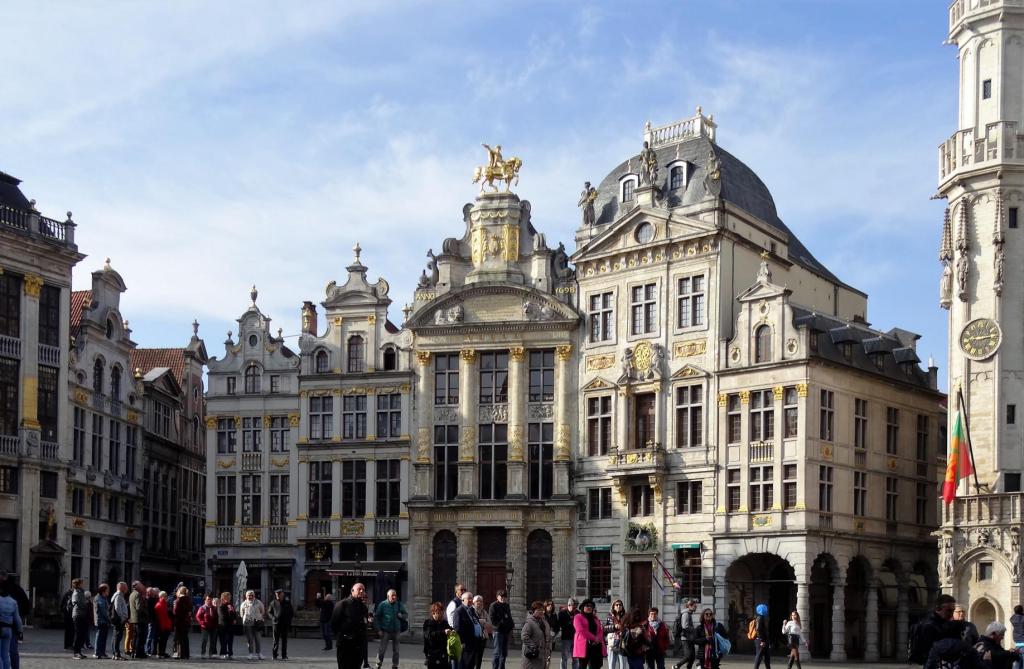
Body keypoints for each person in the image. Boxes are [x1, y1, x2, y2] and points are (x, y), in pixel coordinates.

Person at [910, 594, 968, 665]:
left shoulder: (948, 624)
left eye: (953, 611)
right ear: (938, 609)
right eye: (948, 610)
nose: (951, 614)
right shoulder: (927, 626)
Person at [331, 582, 370, 669]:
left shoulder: (363, 607)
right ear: (352, 591)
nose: (361, 591)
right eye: (359, 589)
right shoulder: (343, 604)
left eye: (363, 590)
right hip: (345, 645)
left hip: (359, 646)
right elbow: (334, 624)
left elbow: (364, 623)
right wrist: (343, 635)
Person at [0, 573, 28, 669]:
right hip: (10, 628)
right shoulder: (13, 601)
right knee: (7, 653)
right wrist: (20, 630)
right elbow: (18, 618)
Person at [374, 589, 408, 669]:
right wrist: (379, 629)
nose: (394, 597)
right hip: (385, 631)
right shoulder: (382, 604)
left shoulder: (399, 604)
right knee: (382, 650)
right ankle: (378, 665)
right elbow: (377, 618)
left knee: (396, 650)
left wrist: (401, 616)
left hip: (396, 631)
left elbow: (406, 614)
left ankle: (395, 665)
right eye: (392, 595)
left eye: (395, 595)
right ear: (388, 596)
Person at [454, 591, 485, 669]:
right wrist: (462, 642)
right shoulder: (459, 611)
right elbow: (457, 628)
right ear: (463, 600)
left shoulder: (471, 610)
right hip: (466, 644)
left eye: (471, 598)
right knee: (465, 665)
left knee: (471, 665)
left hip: (475, 642)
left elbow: (475, 622)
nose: (471, 600)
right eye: (468, 598)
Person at [574, 600, 606, 669]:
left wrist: (597, 639)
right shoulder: (578, 617)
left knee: (595, 666)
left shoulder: (595, 618)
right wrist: (594, 638)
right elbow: (581, 630)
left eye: (591, 606)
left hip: (595, 646)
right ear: (582, 607)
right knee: (582, 666)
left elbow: (600, 631)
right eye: (587, 606)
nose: (589, 607)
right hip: (584, 646)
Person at [424, 601, 456, 669]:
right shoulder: (428, 623)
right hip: (433, 652)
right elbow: (429, 635)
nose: (442, 615)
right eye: (440, 613)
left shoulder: (444, 622)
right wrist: (443, 632)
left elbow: (449, 628)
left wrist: (452, 631)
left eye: (442, 612)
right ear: (434, 613)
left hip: (443, 652)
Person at [489, 590, 514, 669]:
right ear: (497, 597)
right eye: (501, 596)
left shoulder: (506, 605)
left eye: (505, 596)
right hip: (498, 631)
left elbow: (509, 617)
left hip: (506, 631)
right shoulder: (493, 605)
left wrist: (511, 625)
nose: (503, 598)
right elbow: (492, 619)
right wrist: (500, 624)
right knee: (497, 652)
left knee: (504, 652)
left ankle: (501, 667)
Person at [268, 588, 295, 660]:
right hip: (276, 624)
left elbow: (291, 612)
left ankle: (284, 655)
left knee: (284, 640)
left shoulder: (287, 602)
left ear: (282, 595)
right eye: (276, 595)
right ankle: (274, 655)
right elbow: (269, 612)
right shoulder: (273, 602)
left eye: (279, 594)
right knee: (275, 640)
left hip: (285, 624)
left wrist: (288, 620)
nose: (277, 596)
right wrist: (273, 618)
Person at [523, 601, 551, 669]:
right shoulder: (529, 622)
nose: (541, 612)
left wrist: (549, 651)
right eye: (539, 610)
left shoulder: (544, 622)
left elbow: (548, 638)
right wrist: (534, 647)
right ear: (534, 611)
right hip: (532, 657)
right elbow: (524, 636)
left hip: (543, 656)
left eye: (542, 610)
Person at [240, 589, 266, 660]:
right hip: (248, 624)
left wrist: (258, 617)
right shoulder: (243, 604)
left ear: (254, 595)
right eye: (248, 595)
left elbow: (262, 611)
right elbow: (241, 614)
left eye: (251, 595)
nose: (250, 596)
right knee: (250, 639)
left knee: (258, 639)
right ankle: (250, 653)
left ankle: (259, 653)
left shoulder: (259, 602)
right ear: (246, 596)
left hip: (257, 623)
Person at [127, 581, 150, 659]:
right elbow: (139, 608)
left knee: (136, 636)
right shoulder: (137, 594)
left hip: (134, 618)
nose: (143, 587)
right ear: (137, 586)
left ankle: (134, 652)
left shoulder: (132, 594)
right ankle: (138, 653)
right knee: (140, 637)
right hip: (140, 619)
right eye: (141, 585)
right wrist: (146, 612)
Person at [674, 600, 698, 669]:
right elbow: (685, 626)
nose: (696, 607)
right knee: (688, 656)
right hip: (685, 638)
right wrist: (694, 629)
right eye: (695, 606)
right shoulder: (686, 614)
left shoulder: (689, 613)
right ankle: (676, 666)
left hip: (689, 638)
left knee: (692, 657)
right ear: (689, 606)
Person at [69, 578, 90, 659]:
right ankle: (76, 652)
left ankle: (79, 651)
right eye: (81, 583)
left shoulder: (81, 592)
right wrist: (86, 603)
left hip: (82, 614)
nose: (82, 584)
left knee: (82, 634)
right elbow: (78, 603)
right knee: (79, 634)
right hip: (78, 615)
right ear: (78, 584)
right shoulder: (76, 593)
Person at [196, 592, 220, 659]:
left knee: (213, 641)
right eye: (208, 599)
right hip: (205, 627)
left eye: (210, 599)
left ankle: (211, 654)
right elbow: (198, 617)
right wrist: (202, 623)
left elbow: (217, 617)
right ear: (205, 600)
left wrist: (217, 625)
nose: (209, 600)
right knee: (205, 640)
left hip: (213, 627)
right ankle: (203, 653)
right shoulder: (202, 608)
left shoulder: (214, 608)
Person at [110, 581, 129, 661]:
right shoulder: (118, 596)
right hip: (119, 620)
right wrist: (122, 618)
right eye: (126, 587)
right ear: (122, 588)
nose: (127, 589)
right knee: (117, 636)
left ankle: (115, 653)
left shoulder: (120, 595)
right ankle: (116, 654)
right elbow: (117, 608)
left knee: (117, 636)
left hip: (119, 619)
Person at [558, 598, 580, 669]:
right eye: (574, 607)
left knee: (576, 658)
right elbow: (562, 625)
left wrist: (570, 623)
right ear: (569, 605)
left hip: (576, 638)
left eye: (576, 607)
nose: (575, 609)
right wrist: (571, 623)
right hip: (566, 638)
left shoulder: (578, 613)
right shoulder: (562, 613)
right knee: (564, 658)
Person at [605, 600, 627, 669]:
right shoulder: (609, 616)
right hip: (612, 642)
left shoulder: (625, 616)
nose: (618, 606)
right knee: (611, 664)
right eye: (616, 605)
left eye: (620, 605)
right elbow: (604, 628)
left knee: (623, 665)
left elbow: (628, 627)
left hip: (622, 642)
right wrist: (614, 626)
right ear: (613, 606)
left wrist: (624, 628)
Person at [474, 595, 494, 669]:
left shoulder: (484, 612)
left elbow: (489, 623)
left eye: (481, 601)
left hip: (483, 637)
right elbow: (472, 622)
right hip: (474, 637)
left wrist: (481, 622)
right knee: (473, 656)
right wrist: (482, 621)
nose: (479, 603)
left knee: (480, 656)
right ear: (474, 603)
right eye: (477, 601)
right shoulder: (471, 610)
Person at [173, 586, 193, 659]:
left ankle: (178, 654)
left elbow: (175, 612)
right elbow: (190, 611)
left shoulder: (178, 600)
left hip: (179, 621)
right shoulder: (188, 600)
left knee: (177, 638)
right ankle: (186, 654)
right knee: (185, 638)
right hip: (186, 621)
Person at [92, 583, 111, 659]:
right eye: (107, 590)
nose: (108, 592)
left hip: (104, 621)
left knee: (103, 638)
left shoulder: (103, 598)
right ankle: (97, 653)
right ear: (103, 591)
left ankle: (102, 652)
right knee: (100, 637)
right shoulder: (99, 598)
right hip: (101, 621)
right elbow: (103, 612)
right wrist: (109, 618)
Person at [154, 591, 173, 658]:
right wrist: (162, 627)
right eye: (165, 596)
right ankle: (160, 653)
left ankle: (162, 652)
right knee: (161, 640)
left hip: (166, 625)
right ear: (162, 596)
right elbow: (161, 618)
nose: (166, 597)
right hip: (163, 626)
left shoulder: (163, 604)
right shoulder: (160, 605)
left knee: (164, 640)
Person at [217, 592, 237, 659]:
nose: (229, 599)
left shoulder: (231, 605)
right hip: (223, 626)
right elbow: (223, 616)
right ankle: (223, 653)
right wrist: (231, 617)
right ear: (223, 598)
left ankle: (230, 653)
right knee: (224, 640)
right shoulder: (221, 606)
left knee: (230, 640)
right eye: (228, 597)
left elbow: (234, 614)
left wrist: (234, 618)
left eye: (229, 597)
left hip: (230, 626)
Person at [752, 604, 771, 669]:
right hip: (761, 640)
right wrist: (762, 640)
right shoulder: (760, 618)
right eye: (765, 609)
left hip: (763, 640)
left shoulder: (761, 617)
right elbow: (758, 629)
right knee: (759, 656)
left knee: (767, 656)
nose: (766, 610)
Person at [544, 601, 559, 669]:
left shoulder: (554, 615)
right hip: (543, 638)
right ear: (545, 606)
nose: (550, 606)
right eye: (548, 605)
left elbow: (557, 626)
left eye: (551, 605)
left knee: (548, 656)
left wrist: (555, 632)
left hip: (551, 638)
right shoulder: (542, 614)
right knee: (542, 656)